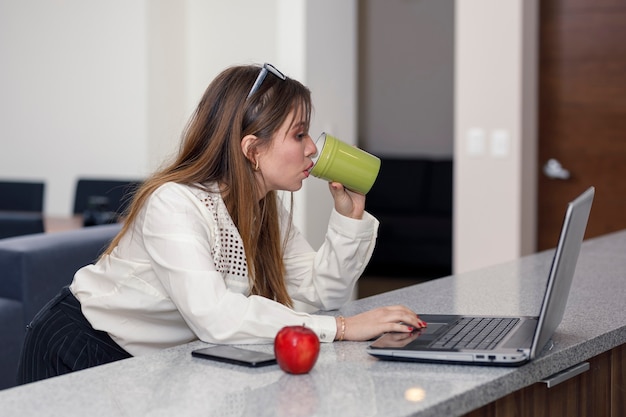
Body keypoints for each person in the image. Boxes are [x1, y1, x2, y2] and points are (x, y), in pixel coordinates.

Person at [17, 63, 426, 384]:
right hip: (80, 345)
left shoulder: (265, 208)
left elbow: (320, 290)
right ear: (252, 149)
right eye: (299, 135)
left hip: (153, 358)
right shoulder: (174, 203)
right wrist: (341, 329)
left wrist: (348, 217)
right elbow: (216, 316)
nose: (313, 149)